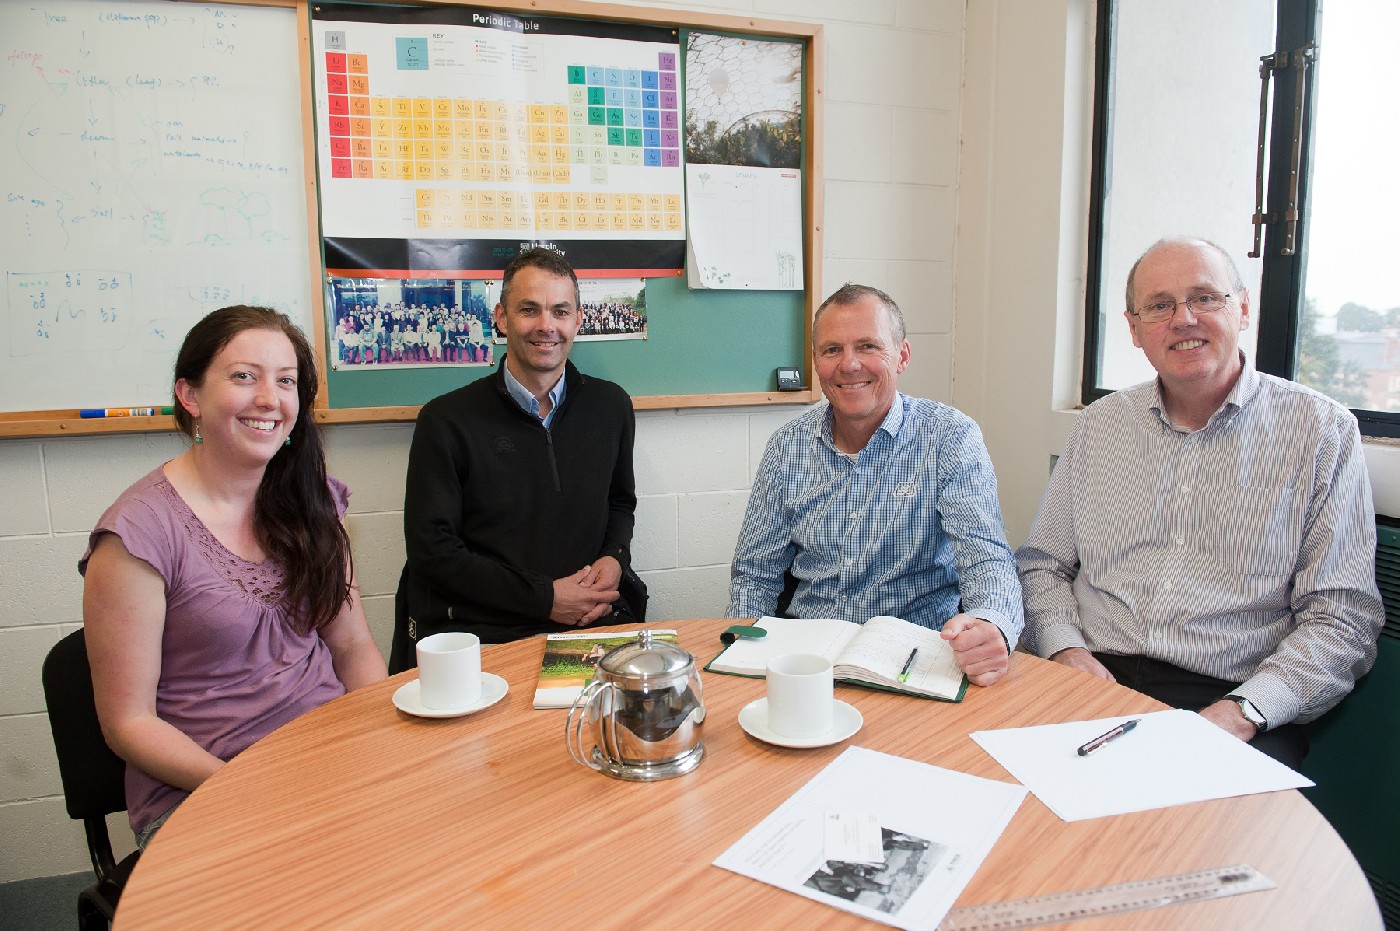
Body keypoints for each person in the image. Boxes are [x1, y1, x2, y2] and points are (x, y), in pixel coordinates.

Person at [1016, 237, 1384, 767]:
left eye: (1205, 298)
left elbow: (1342, 617)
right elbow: (1041, 567)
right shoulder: (1098, 426)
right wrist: (1065, 649)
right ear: (1135, 327)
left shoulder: (1323, 433)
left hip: (1229, 696)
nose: (1183, 318)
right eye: (1160, 305)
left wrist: (1241, 712)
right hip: (1090, 673)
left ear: (1243, 308)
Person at [80, 306, 386, 847]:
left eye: (286, 381)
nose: (270, 398)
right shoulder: (136, 534)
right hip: (203, 787)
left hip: (327, 761)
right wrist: (244, 788)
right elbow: (129, 723)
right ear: (190, 395)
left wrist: (378, 741)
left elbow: (354, 647)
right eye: (245, 376)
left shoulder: (311, 501)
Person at [727, 284, 1023, 687]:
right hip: (808, 660)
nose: (849, 365)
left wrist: (992, 624)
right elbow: (755, 573)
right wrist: (742, 656)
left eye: (868, 346)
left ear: (901, 356)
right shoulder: (787, 448)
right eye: (832, 350)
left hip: (915, 660)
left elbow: (986, 560)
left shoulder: (950, 438)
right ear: (816, 361)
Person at [392, 247, 641, 669]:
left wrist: (613, 559)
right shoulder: (446, 420)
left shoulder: (611, 406)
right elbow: (432, 552)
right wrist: (546, 600)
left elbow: (620, 502)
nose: (547, 326)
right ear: (502, 317)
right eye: (530, 310)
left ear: (578, 320)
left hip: (588, 625)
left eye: (560, 311)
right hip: (486, 636)